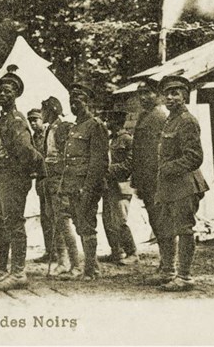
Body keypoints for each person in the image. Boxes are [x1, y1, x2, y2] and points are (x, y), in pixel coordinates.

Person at [149, 75, 209, 292]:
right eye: (167, 93)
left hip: (185, 184)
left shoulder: (187, 120)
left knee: (184, 230)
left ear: (185, 96)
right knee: (165, 228)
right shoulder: (170, 119)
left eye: (175, 93)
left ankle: (184, 276)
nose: (170, 97)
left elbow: (194, 157)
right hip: (168, 185)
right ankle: (168, 271)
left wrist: (168, 168)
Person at [0, 65, 43, 290]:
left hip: (14, 178)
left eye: (8, 91)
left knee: (15, 223)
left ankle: (19, 273)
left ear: (16, 94)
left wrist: (23, 172)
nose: (3, 94)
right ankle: (12, 270)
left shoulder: (17, 120)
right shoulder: (4, 119)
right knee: (9, 222)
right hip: (4, 177)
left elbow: (27, 152)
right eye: (0, 91)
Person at [59, 82, 109, 281]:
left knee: (87, 226)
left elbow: (99, 161)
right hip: (73, 185)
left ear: (87, 102)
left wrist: (88, 187)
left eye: (78, 100)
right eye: (71, 100)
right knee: (80, 225)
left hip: (85, 186)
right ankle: (92, 267)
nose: (74, 104)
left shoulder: (95, 126)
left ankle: (90, 271)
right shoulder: (75, 126)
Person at [41, 96, 77, 277]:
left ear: (52, 111)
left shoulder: (63, 127)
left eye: (44, 111)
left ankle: (76, 263)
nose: (42, 115)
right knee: (53, 219)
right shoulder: (49, 129)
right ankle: (62, 261)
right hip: (49, 178)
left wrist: (60, 174)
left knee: (63, 220)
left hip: (59, 179)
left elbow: (67, 155)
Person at [129, 79, 167, 246]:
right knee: (154, 218)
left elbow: (159, 152)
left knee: (161, 220)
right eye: (140, 94)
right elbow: (139, 152)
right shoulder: (145, 116)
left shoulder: (160, 116)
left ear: (158, 95)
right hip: (146, 178)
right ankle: (166, 259)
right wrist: (138, 180)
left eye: (147, 93)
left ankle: (170, 261)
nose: (143, 98)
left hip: (157, 178)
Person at [103, 111, 137, 265]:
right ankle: (116, 251)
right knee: (108, 220)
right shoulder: (111, 140)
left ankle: (132, 253)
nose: (106, 122)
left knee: (120, 221)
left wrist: (109, 169)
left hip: (122, 186)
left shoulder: (127, 139)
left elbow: (131, 163)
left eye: (109, 120)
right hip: (109, 185)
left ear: (116, 122)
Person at [27, 108, 54, 265]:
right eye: (30, 120)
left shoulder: (49, 135)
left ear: (42, 120)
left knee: (53, 216)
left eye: (35, 120)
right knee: (45, 217)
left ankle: (58, 252)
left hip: (50, 179)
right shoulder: (32, 137)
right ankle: (49, 250)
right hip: (40, 181)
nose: (32, 123)